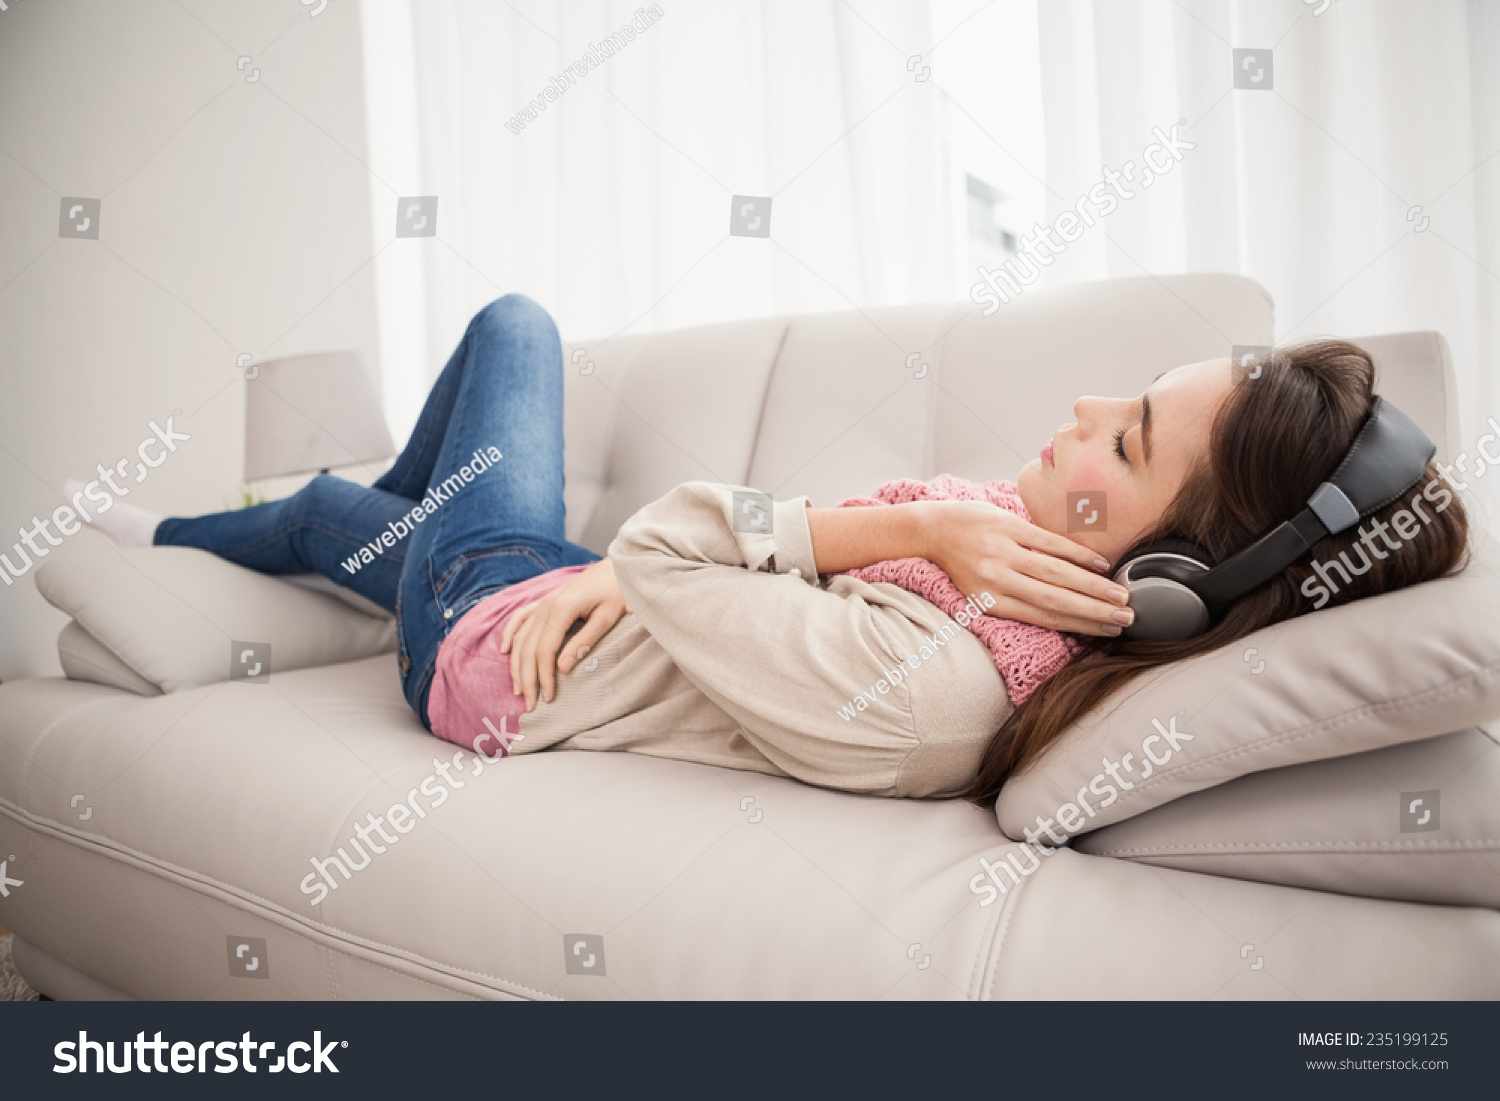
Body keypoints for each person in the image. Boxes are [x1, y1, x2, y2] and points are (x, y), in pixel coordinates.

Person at [98, 295, 1467, 801]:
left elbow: (661, 546)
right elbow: (687, 569)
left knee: (514, 328)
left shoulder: (934, 688)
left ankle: (306, 527)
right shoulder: (1019, 577)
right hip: (564, 593)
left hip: (484, 645)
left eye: (1129, 443)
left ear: (1168, 587)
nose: (1084, 414)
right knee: (349, 519)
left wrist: (922, 523)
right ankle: (225, 527)